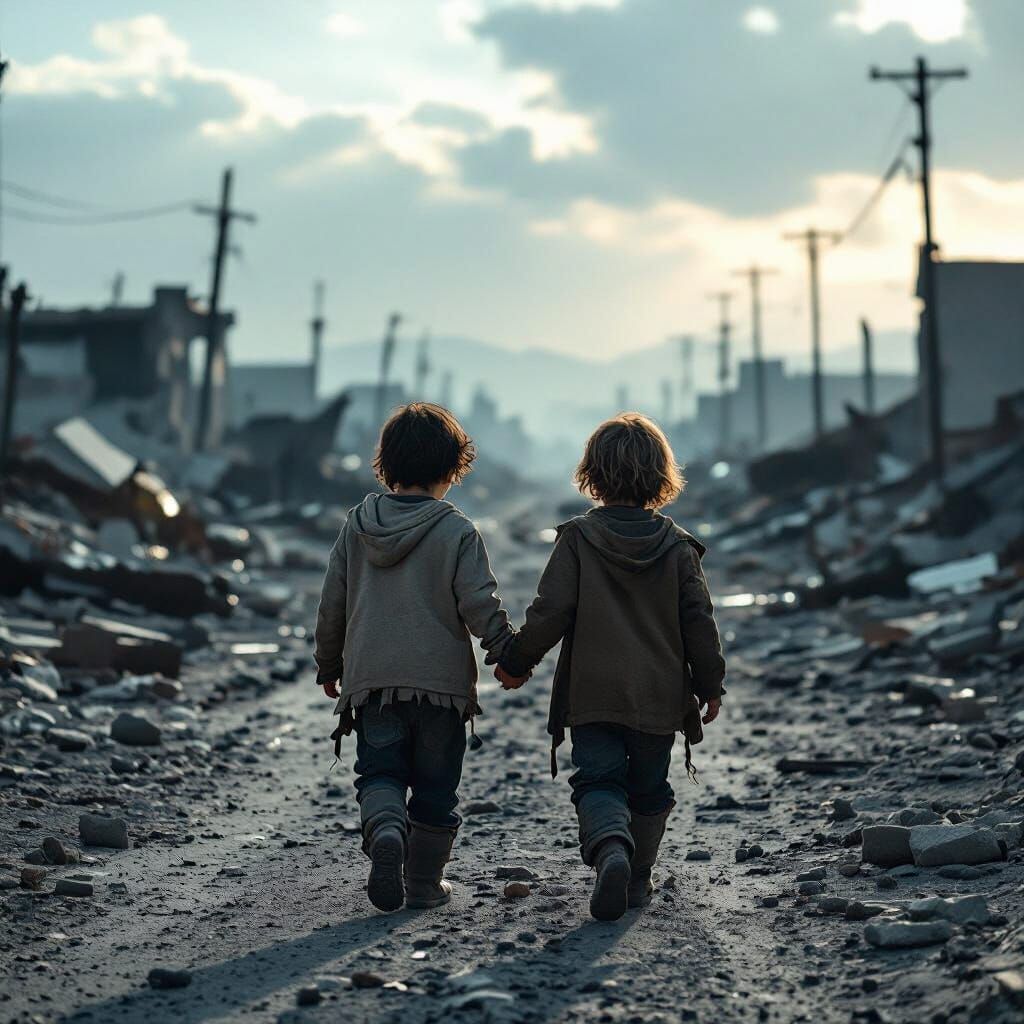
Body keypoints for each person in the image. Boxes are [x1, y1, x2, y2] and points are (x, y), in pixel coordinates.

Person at [495, 413, 725, 921]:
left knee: (597, 782)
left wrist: (516, 661)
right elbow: (699, 624)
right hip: (660, 698)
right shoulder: (679, 548)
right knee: (648, 790)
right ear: (662, 477)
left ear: (592, 476)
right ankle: (636, 879)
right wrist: (711, 685)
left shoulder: (577, 539)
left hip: (593, 695)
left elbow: (549, 612)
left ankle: (611, 853)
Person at [314, 403, 515, 912]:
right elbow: (478, 603)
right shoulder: (456, 530)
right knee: (434, 789)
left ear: (387, 463)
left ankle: (385, 829)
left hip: (374, 683)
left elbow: (332, 600)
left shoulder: (356, 525)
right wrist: (506, 652)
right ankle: (423, 883)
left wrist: (329, 663)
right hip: (441, 689)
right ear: (452, 469)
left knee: (380, 773)